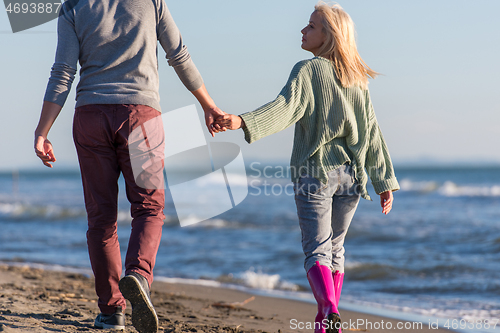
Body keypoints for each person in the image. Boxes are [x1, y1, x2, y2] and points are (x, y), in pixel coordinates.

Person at [34, 0, 224, 332]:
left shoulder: (73, 7)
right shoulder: (152, 2)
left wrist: (43, 130)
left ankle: (111, 313)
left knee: (101, 218)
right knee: (149, 208)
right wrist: (209, 106)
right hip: (141, 117)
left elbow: (62, 71)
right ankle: (137, 275)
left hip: (91, 116)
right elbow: (179, 54)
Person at [216, 3, 399, 333]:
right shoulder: (358, 79)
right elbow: (372, 131)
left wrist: (242, 120)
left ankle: (329, 310)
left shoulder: (308, 70)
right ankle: (326, 322)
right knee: (336, 248)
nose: (303, 31)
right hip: (352, 177)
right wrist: (383, 180)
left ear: (328, 35)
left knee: (317, 249)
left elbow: (284, 108)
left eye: (311, 26)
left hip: (315, 171)